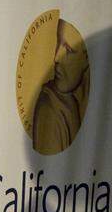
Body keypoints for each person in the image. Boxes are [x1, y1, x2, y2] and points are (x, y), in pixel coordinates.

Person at [31, 18, 89, 154]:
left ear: (86, 59)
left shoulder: (73, 101)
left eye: (68, 50)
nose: (56, 58)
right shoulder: (49, 110)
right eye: (58, 43)